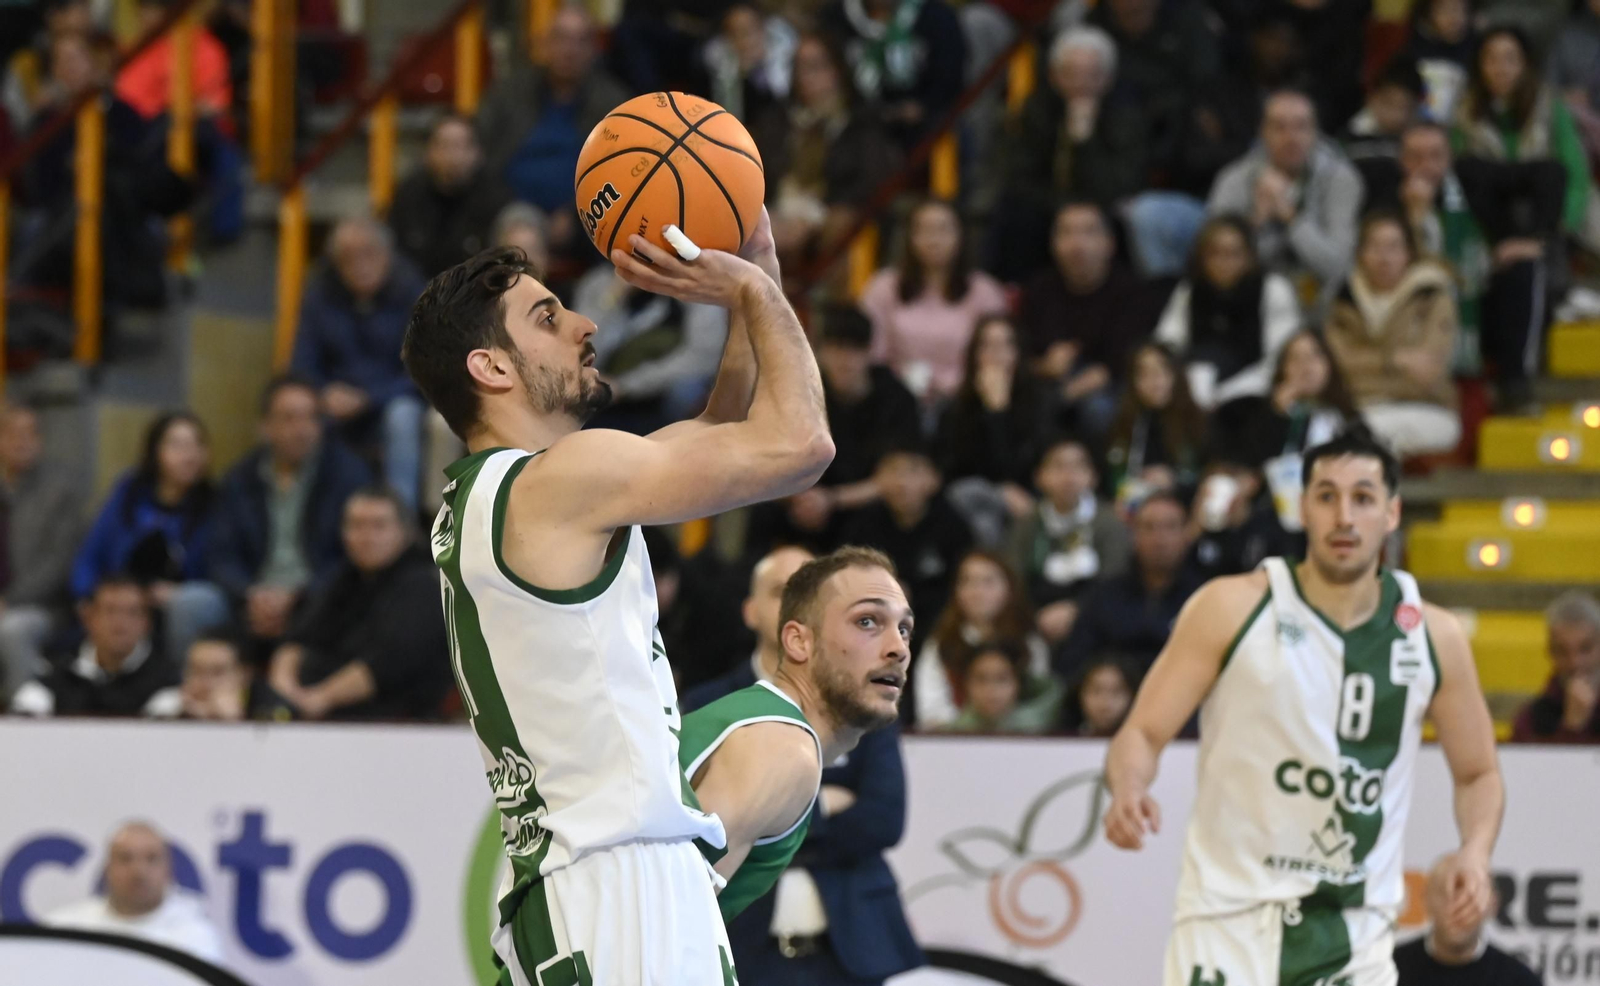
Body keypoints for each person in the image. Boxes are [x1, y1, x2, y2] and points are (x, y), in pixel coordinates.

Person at [402, 196, 832, 984]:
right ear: (491, 368)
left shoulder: (515, 492)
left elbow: (718, 432)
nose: (585, 324)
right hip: (614, 889)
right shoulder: (558, 483)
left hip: (601, 885)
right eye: (548, 318)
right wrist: (754, 295)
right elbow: (801, 446)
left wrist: (760, 281)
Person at [1103, 428, 1504, 986]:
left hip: (1352, 934)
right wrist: (1128, 787)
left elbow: (1478, 771)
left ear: (1391, 513)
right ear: (1302, 509)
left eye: (1363, 498)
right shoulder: (1231, 607)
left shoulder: (1433, 635)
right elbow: (1142, 733)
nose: (1344, 517)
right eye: (1327, 496)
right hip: (1227, 921)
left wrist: (1475, 852)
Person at [679, 547, 910, 920]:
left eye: (904, 629)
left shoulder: (769, 727)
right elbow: (663, 917)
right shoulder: (783, 748)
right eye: (867, 621)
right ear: (799, 641)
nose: (898, 648)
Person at [208, 375, 371, 657]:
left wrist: (298, 596)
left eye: (311, 418)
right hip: (251, 599)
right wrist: (250, 594)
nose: (302, 429)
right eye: (289, 418)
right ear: (265, 427)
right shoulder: (240, 479)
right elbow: (221, 554)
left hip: (318, 596)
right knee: (196, 603)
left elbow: (352, 556)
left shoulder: (346, 476)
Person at [265, 487, 450, 721]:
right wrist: (283, 689)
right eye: (356, 525)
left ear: (405, 532)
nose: (366, 536)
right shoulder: (344, 579)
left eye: (378, 526)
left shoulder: (422, 586)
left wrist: (320, 698)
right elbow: (298, 638)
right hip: (319, 710)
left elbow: (387, 664)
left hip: (395, 721)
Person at [747, 307, 919, 557]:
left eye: (854, 349)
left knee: (876, 515)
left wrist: (832, 500)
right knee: (761, 509)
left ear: (869, 352)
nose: (845, 360)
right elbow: (769, 459)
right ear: (820, 351)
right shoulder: (800, 390)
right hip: (802, 497)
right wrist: (798, 499)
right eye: (836, 348)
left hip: (858, 501)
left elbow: (894, 477)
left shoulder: (895, 398)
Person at [991, 25, 1151, 281]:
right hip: (1050, 203)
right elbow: (1020, 175)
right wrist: (1064, 206)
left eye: (1092, 75)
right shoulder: (1037, 109)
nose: (1081, 84)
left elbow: (1121, 183)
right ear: (1054, 76)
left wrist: (1084, 143)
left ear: (1108, 78)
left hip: (1104, 205)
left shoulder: (1126, 115)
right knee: (1015, 214)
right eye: (1072, 74)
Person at [290, 217, 428, 514]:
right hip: (335, 404)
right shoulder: (319, 296)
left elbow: (424, 370)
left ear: (387, 254)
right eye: (348, 258)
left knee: (402, 418)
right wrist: (323, 392)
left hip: (393, 400)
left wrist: (368, 398)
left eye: (369, 253)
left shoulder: (414, 294)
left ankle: (400, 519)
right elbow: (302, 364)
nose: (360, 265)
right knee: (297, 412)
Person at [71, 412, 227, 668]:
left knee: (186, 605)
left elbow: (218, 571)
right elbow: (91, 554)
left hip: (171, 604)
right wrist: (89, 594)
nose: (189, 455)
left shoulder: (216, 504)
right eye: (177, 445)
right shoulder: (129, 494)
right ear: (155, 451)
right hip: (122, 593)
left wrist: (175, 592)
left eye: (196, 445)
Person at [475, 4, 628, 259]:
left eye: (580, 41)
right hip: (513, 207)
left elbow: (622, 172)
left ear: (594, 49)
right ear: (545, 44)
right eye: (561, 38)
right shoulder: (509, 93)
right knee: (521, 237)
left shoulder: (613, 103)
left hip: (589, 215)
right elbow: (481, 153)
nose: (570, 50)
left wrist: (575, 213)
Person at [751, 33, 901, 277]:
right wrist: (771, 213)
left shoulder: (860, 120)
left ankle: (831, 300)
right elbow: (757, 172)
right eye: (801, 67)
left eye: (817, 66)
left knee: (843, 224)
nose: (808, 76)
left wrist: (814, 218)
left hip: (829, 211)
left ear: (838, 69)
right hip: (782, 208)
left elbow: (872, 179)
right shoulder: (777, 119)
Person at [1208, 89, 1365, 313]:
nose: (1291, 138)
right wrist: (1255, 223)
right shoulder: (1233, 180)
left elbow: (1339, 270)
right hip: (1250, 308)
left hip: (1322, 310)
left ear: (1315, 133)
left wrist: (1292, 218)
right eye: (1279, 127)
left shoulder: (1341, 179)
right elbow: (1215, 268)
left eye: (1301, 126)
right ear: (1262, 133)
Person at [1019, 201, 1167, 435]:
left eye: (1088, 232)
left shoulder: (1133, 293)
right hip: (1049, 381)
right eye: (1066, 232)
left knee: (1098, 408)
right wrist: (1045, 367)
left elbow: (1120, 364)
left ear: (1110, 243)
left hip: (1110, 385)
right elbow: (1021, 355)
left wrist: (1064, 395)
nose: (1076, 244)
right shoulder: (1038, 290)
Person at [1325, 210, 1460, 457]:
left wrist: (1364, 369)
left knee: (1364, 433)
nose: (1384, 258)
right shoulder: (1344, 300)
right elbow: (1335, 365)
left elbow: (1428, 373)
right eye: (1375, 247)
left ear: (1409, 253)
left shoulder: (1432, 296)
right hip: (1355, 409)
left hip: (1427, 409)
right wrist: (1398, 360)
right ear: (1360, 253)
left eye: (1393, 247)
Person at [858, 198, 1007, 407]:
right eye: (924, 230)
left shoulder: (985, 291)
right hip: (896, 400)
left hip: (967, 401)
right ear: (909, 237)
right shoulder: (884, 286)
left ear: (961, 236)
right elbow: (871, 353)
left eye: (943, 230)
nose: (934, 239)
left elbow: (998, 354)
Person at [1454, 26, 1590, 244]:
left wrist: (1567, 221)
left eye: (1510, 59)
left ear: (1525, 64)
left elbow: (1576, 170)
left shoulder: (1550, 105)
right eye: (1492, 60)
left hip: (1543, 208)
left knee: (1552, 172)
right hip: (1492, 214)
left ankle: (1541, 244)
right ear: (1479, 66)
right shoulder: (1464, 112)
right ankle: (1502, 247)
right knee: (1467, 168)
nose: (1501, 69)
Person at [1154, 214, 1301, 411]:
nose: (1223, 262)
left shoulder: (1273, 289)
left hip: (1256, 393)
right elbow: (1166, 343)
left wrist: (1227, 393)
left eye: (1233, 253)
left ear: (1250, 256)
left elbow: (1279, 358)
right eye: (1215, 253)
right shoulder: (1189, 291)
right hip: (1197, 391)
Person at [571, 260, 729, 434]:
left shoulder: (692, 285)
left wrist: (625, 386)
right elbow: (581, 352)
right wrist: (612, 297)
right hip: (601, 388)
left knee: (685, 390)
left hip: (658, 392)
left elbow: (700, 358)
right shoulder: (600, 280)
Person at [935, 315, 1052, 548]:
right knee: (982, 519)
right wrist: (993, 412)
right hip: (973, 500)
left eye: (1005, 345)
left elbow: (1026, 467)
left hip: (1027, 499)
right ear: (974, 355)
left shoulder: (1040, 402)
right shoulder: (955, 409)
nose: (996, 354)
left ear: (1018, 353)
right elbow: (954, 472)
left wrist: (999, 414)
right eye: (987, 345)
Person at [1057, 490, 1201, 677]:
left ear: (1187, 534)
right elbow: (1074, 661)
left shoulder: (1203, 597)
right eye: (1149, 527)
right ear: (1133, 534)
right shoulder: (1104, 595)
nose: (1160, 539)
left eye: (1170, 527)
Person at [840, 445, 971, 644]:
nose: (901, 482)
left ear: (934, 479)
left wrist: (913, 596)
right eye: (892, 470)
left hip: (934, 622)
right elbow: (844, 572)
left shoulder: (953, 526)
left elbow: (960, 582)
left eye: (913, 470)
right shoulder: (863, 524)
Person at [43, 821, 225, 965]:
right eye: (125, 858)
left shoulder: (195, 939)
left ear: (168, 869)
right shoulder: (65, 931)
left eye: (151, 859)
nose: (139, 871)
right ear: (107, 869)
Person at [1007, 436, 1131, 646]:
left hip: (1096, 619)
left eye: (1078, 467)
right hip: (1036, 619)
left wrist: (1077, 609)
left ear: (1093, 477)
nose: (1068, 476)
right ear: (1039, 477)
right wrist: (1035, 616)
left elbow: (1115, 579)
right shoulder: (1027, 525)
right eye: (1058, 467)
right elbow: (1013, 578)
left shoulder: (1109, 522)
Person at [0, 402, 83, 701]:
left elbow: (59, 564)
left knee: (12, 629)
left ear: (41, 441)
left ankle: (23, 714)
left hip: (44, 608)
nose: (21, 441)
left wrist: (9, 601)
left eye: (30, 433)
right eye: (12, 433)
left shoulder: (61, 491)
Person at [913, 550, 1049, 729]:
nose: (977, 592)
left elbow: (1039, 702)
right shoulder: (940, 643)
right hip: (953, 739)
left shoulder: (1028, 642)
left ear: (1009, 588)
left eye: (988, 582)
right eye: (967, 582)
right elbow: (931, 710)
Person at [9, 576, 179, 718]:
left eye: (132, 613)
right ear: (89, 617)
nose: (120, 622)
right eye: (110, 611)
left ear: (147, 623)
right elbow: (26, 709)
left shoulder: (165, 680)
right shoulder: (58, 672)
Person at [684, 545, 815, 712]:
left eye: (808, 592)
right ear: (750, 612)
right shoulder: (705, 706)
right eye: (780, 592)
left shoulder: (846, 707)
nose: (796, 604)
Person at [816, 0, 966, 146]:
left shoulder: (937, 16)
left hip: (923, 130)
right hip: (854, 123)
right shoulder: (834, 17)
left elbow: (950, 80)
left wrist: (923, 107)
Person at [388, 114, 511, 279]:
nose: (453, 156)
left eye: (461, 146)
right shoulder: (409, 196)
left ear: (478, 152)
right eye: (444, 145)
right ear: (428, 152)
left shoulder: (497, 199)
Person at [1392, 856, 1543, 985]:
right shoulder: (1389, 971)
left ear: (1492, 904)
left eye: (1469, 896)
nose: (1458, 908)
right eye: (1446, 894)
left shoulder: (1519, 980)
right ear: (1426, 900)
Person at [1103, 343, 1208, 506]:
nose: (1155, 381)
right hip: (1134, 510)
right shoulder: (1123, 424)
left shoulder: (1197, 421)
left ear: (1176, 374)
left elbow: (1208, 477)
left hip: (1185, 507)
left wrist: (1174, 482)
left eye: (1162, 370)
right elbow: (1111, 478)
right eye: (1144, 373)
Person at [1512, 590, 1600, 743]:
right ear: (1550, 652)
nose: (1575, 662)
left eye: (1585, 648)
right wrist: (1571, 728)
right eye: (1562, 651)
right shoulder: (1531, 720)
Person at [940, 640, 1064, 735]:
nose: (990, 689)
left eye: (1001, 679)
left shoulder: (1047, 733)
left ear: (1018, 683)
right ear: (966, 684)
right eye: (981, 679)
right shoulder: (947, 737)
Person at [704, 3, 797, 123]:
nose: (745, 40)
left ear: (762, 29)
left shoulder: (786, 56)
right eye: (735, 33)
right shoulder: (722, 69)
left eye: (749, 30)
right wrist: (741, 75)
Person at [1341, 59, 1426, 168]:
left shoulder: (1424, 138)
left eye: (1406, 108)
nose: (1397, 116)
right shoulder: (1349, 139)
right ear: (1371, 98)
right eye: (1389, 104)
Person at [1404, 0, 1476, 122]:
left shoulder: (1477, 50)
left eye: (1462, 10)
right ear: (1427, 13)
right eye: (1446, 10)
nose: (1455, 18)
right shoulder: (1407, 47)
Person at [179, 633, 259, 721]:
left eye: (218, 672)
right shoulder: (171, 705)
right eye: (197, 671)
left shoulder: (265, 710)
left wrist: (232, 720)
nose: (206, 682)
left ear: (244, 676)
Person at [1062, 656, 1134, 737]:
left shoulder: (1141, 741)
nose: (1105, 703)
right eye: (1096, 691)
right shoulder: (1061, 739)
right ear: (1080, 693)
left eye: (1116, 692)